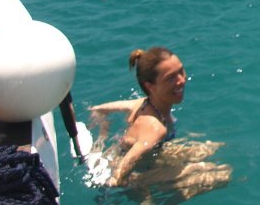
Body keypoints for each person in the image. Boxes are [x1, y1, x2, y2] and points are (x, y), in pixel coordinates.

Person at [88, 46, 231, 198]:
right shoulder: (155, 128)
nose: (181, 80)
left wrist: (103, 132)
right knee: (222, 175)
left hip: (138, 158)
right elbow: (127, 164)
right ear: (150, 86)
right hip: (137, 174)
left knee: (210, 149)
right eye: (171, 78)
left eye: (181, 71)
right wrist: (122, 182)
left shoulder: (143, 103)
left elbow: (98, 109)